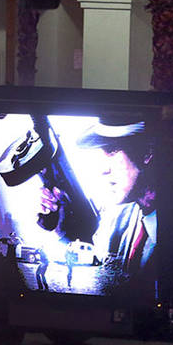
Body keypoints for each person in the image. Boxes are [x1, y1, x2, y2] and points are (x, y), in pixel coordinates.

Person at [41, 120, 157, 282]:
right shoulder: (118, 220)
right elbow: (100, 273)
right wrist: (62, 232)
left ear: (147, 152)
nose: (103, 170)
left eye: (112, 151)